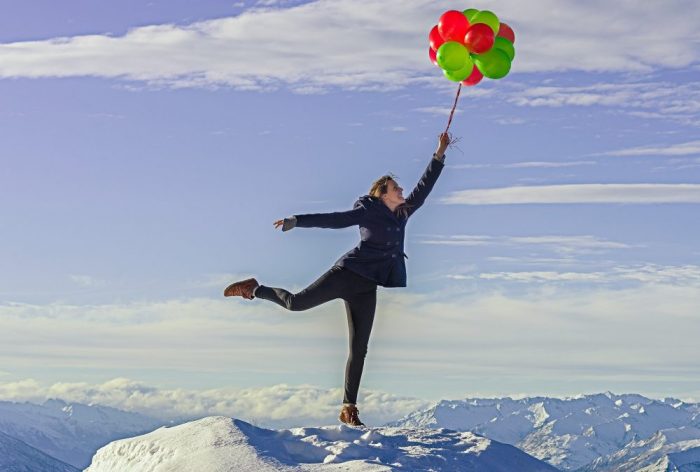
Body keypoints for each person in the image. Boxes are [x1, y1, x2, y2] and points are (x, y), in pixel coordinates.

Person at [224, 132, 450, 426]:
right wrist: (298, 221)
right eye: (396, 187)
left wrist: (440, 152)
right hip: (346, 274)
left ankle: (348, 408)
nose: (402, 190)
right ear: (382, 193)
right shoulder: (368, 210)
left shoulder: (402, 214)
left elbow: (424, 187)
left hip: (368, 286)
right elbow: (335, 219)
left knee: (360, 348)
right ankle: (255, 289)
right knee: (295, 304)